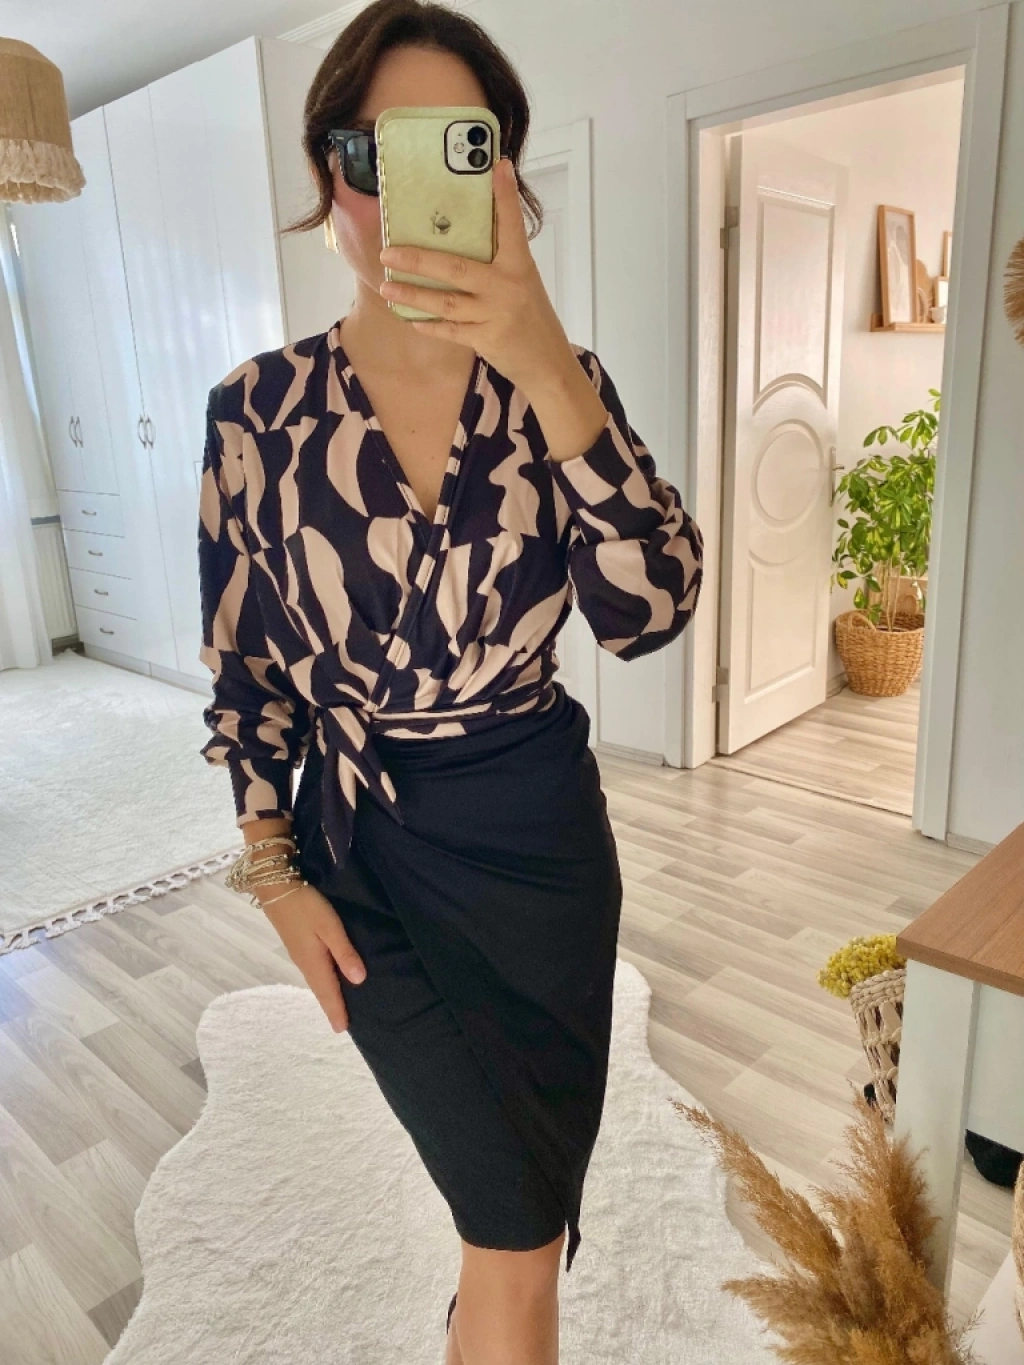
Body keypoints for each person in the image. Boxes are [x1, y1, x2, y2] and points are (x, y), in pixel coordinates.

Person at [196, 3, 703, 1361]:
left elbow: (649, 615)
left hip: (538, 848)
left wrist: (543, 359)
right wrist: (274, 877)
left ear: (502, 177)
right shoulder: (256, 413)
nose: (398, 190)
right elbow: (247, 670)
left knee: (521, 1226)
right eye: (369, 151)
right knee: (514, 1227)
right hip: (360, 850)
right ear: (329, 175)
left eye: (453, 146)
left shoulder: (561, 386)